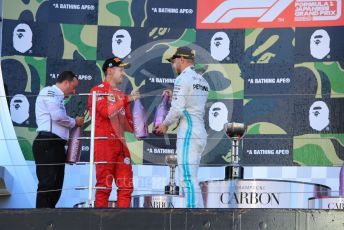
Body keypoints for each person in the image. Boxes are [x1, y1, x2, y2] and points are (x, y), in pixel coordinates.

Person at [154, 46, 209, 208]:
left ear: (181, 60)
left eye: (173, 61)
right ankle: (196, 211)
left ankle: (193, 216)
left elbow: (179, 109)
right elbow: (190, 105)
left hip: (189, 132)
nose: (172, 65)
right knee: (191, 176)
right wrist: (174, 98)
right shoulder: (202, 80)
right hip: (199, 130)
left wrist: (164, 125)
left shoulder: (182, 79)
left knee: (186, 178)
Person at [88, 57, 140, 208]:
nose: (123, 74)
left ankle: (122, 223)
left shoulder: (122, 96)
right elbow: (106, 112)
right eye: (121, 70)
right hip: (104, 144)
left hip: (121, 146)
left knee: (126, 187)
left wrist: (141, 126)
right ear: (110, 70)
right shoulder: (97, 91)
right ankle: (100, 222)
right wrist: (128, 99)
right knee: (104, 187)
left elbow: (128, 126)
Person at [32, 71, 84, 208]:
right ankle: (41, 219)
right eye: (73, 87)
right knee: (47, 183)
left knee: (56, 186)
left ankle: (50, 217)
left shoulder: (58, 97)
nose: (74, 91)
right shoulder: (50, 92)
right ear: (66, 82)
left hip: (56, 145)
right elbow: (57, 116)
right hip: (47, 142)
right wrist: (74, 122)